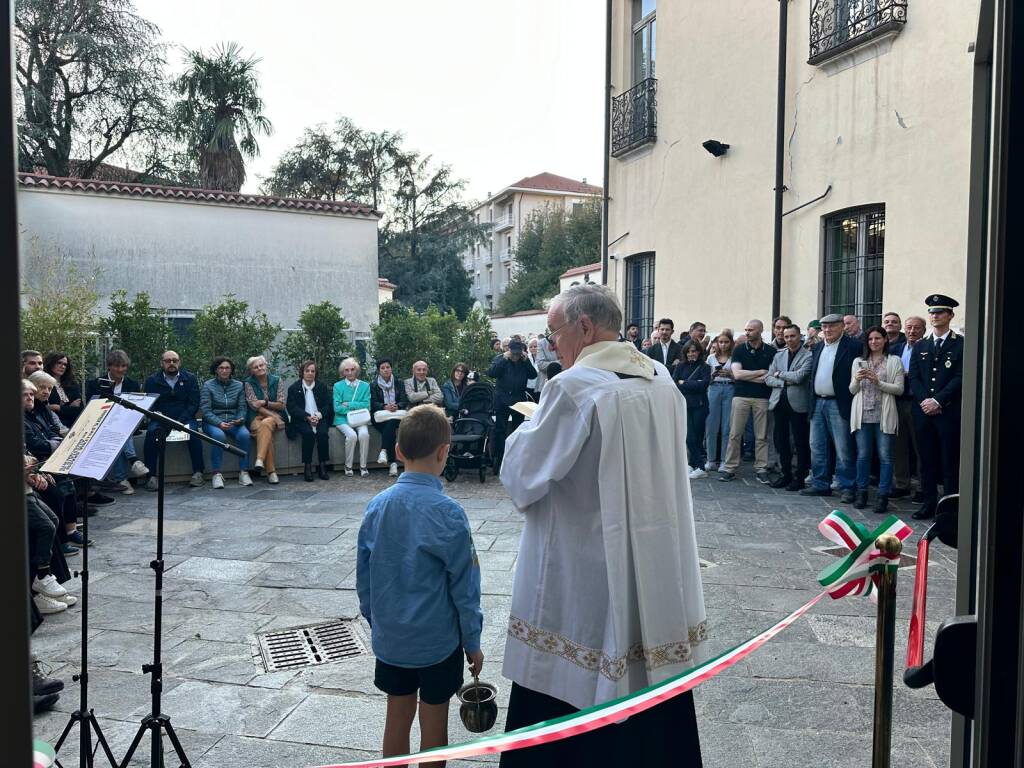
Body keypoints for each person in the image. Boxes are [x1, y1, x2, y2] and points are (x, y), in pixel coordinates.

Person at [498, 284, 705, 766]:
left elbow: (521, 475)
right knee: (648, 667)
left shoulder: (574, 388)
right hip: (656, 562)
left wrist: (527, 429)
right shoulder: (660, 378)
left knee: (582, 666)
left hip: (586, 567)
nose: (552, 346)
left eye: (554, 333)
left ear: (585, 327)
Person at [357, 405, 483, 768]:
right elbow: (465, 587)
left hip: (392, 639)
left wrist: (375, 621)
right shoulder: (449, 513)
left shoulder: (377, 507)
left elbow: (364, 576)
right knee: (434, 724)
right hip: (437, 643)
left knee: (396, 718)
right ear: (445, 451)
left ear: (398, 451)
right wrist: (471, 641)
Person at [908, 295, 963, 519]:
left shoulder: (960, 344)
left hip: (947, 411)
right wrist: (925, 402)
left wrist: (938, 401)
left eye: (940, 312)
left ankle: (950, 509)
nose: (935, 316)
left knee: (949, 461)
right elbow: (914, 377)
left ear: (950, 315)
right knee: (926, 460)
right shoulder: (921, 345)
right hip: (923, 412)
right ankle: (928, 503)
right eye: (932, 312)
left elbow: (960, 377)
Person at [803, 314, 860, 502]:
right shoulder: (818, 347)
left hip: (839, 402)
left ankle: (847, 486)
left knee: (843, 447)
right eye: (824, 327)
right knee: (817, 445)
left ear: (842, 327)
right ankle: (820, 484)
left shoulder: (853, 346)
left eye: (832, 327)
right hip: (818, 402)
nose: (827, 331)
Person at [849, 327, 905, 514]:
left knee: (885, 457)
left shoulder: (894, 360)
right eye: (871, 339)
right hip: (862, 414)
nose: (874, 342)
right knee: (863, 455)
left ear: (885, 340)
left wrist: (878, 382)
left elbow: (899, 389)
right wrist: (857, 380)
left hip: (884, 414)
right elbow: (852, 390)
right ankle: (862, 492)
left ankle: (883, 495)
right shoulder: (859, 361)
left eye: (878, 338)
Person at [719, 319, 776, 484]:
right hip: (741, 396)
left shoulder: (771, 352)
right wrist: (759, 372)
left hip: (762, 398)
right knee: (735, 433)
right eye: (746, 329)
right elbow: (737, 375)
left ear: (760, 331)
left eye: (751, 330)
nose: (747, 332)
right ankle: (730, 468)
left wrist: (749, 375)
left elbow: (770, 377)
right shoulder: (739, 350)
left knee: (761, 435)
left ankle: (761, 468)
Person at [85, 349, 149, 494]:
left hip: (125, 423)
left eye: (124, 366)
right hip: (101, 423)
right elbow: (92, 407)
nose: (121, 370)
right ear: (109, 366)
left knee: (119, 432)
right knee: (117, 432)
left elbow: (136, 407)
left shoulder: (132, 384)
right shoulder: (96, 383)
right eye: (117, 366)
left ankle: (122, 479)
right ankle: (133, 461)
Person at [143, 350, 206, 489]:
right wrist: (159, 417)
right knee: (151, 434)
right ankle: (151, 476)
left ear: (179, 362)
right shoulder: (152, 381)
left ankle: (198, 473)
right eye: (167, 361)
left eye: (174, 360)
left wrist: (181, 419)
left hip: (185, 418)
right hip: (161, 419)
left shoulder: (190, 378)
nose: (171, 363)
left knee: (194, 434)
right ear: (161, 363)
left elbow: (193, 404)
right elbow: (149, 404)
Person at [764, 324, 813, 491]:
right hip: (779, 403)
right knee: (781, 440)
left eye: (792, 336)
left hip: (798, 405)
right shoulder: (779, 355)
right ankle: (786, 474)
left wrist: (780, 375)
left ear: (800, 336)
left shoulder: (808, 356)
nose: (789, 339)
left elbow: (800, 377)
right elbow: (768, 378)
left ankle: (799, 477)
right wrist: (784, 380)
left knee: (800, 442)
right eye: (786, 337)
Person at [889, 316, 926, 499]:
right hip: (898, 401)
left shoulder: (927, 347)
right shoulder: (896, 348)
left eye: (917, 328)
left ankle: (922, 486)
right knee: (898, 445)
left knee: (920, 446)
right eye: (909, 327)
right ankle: (901, 483)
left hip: (918, 402)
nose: (912, 331)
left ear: (923, 330)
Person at [200, 357, 252, 489]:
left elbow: (242, 407)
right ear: (216, 370)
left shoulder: (239, 385)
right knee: (219, 436)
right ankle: (216, 474)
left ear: (231, 370)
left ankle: (243, 472)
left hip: (234, 422)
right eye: (221, 368)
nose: (224, 370)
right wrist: (219, 423)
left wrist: (240, 419)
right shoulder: (208, 385)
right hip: (213, 422)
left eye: (227, 368)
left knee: (245, 435)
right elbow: (205, 410)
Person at [487, 340, 537, 474]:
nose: (515, 357)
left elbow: (534, 375)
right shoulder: (500, 359)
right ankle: (498, 460)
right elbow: (491, 373)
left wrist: (526, 361)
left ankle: (516, 461)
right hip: (502, 399)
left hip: (518, 400)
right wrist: (503, 359)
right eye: (513, 354)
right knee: (500, 430)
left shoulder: (524, 361)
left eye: (517, 354)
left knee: (517, 431)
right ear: (509, 351)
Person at [286, 361, 333, 482]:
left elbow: (328, 405)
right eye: (307, 371)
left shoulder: (321, 387)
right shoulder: (294, 388)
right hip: (302, 419)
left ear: (316, 373)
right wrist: (307, 417)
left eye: (313, 371)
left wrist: (318, 416)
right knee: (308, 434)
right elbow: (292, 407)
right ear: (302, 372)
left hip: (319, 417)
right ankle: (307, 466)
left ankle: (322, 465)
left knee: (323, 434)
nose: (310, 373)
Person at [243, 355, 286, 485]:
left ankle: (260, 460)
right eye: (256, 367)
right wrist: (274, 416)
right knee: (264, 430)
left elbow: (282, 404)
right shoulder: (248, 383)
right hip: (255, 416)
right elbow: (253, 405)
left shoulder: (277, 380)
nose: (260, 368)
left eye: (261, 365)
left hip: (273, 416)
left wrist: (264, 402)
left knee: (265, 424)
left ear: (266, 365)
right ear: (251, 370)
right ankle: (271, 472)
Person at [673, 341, 711, 479]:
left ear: (699, 352)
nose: (691, 354)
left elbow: (703, 385)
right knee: (689, 436)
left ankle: (698, 466)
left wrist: (685, 382)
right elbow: (675, 383)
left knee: (698, 436)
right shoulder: (680, 366)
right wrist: (694, 383)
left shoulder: (705, 367)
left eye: (694, 351)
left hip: (700, 406)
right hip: (684, 404)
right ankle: (696, 464)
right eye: (689, 351)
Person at [334, 357, 372, 477]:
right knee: (351, 436)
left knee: (364, 434)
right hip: (342, 419)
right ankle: (348, 465)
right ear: (343, 372)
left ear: (357, 370)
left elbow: (367, 406)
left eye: (352, 369)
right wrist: (358, 406)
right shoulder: (337, 386)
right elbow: (337, 408)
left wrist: (349, 404)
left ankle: (363, 466)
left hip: (361, 419)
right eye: (347, 370)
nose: (350, 372)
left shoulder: (365, 386)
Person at [371, 358, 409, 477]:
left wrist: (397, 405)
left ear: (391, 368)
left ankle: (384, 452)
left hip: (396, 415)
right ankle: (392, 463)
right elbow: (372, 402)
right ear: (379, 371)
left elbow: (404, 399)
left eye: (388, 367)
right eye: (382, 368)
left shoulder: (399, 382)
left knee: (391, 423)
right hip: (380, 416)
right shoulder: (374, 385)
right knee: (390, 427)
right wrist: (384, 406)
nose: (386, 370)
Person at [706, 332, 735, 472]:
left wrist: (730, 374)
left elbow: (739, 377)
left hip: (730, 388)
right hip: (714, 389)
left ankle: (724, 460)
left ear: (731, 343)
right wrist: (713, 375)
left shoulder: (734, 358)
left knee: (726, 427)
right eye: (720, 342)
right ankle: (711, 459)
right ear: (716, 343)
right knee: (711, 425)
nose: (723, 345)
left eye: (726, 342)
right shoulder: (711, 358)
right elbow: (705, 378)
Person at [44, 352, 83, 428]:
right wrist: (69, 407)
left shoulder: (72, 384)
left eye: (65, 364)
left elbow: (79, 410)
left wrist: (57, 407)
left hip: (75, 425)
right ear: (50, 363)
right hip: (53, 427)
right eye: (59, 363)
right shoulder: (44, 384)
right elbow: (46, 409)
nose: (62, 366)